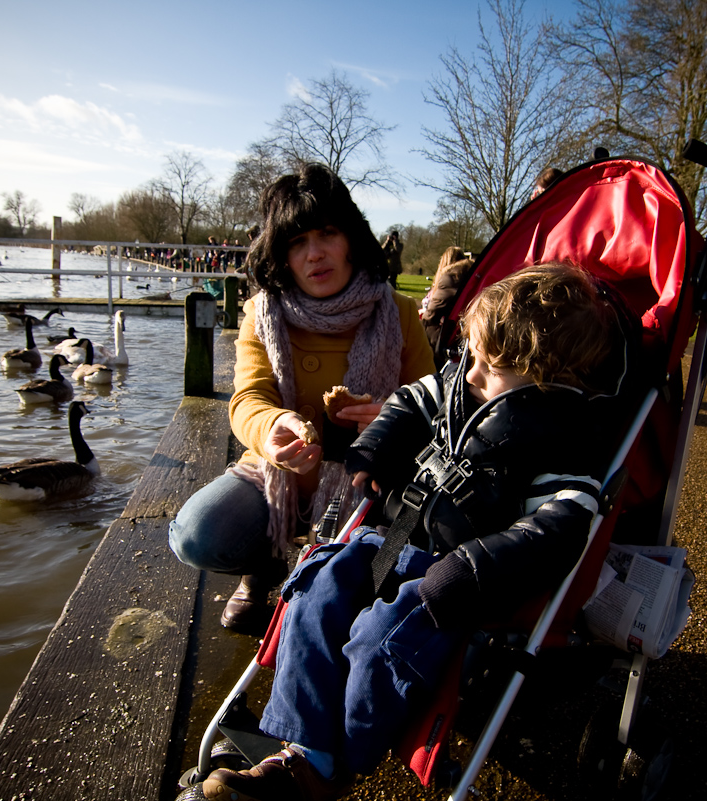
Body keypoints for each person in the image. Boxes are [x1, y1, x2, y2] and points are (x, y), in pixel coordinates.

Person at [200, 262, 638, 801]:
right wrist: (374, 448)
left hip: (454, 577)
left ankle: (329, 763)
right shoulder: (462, 384)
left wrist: (473, 566)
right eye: (471, 355)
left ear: (547, 372)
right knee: (315, 591)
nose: (470, 372)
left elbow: (561, 525)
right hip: (395, 534)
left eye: (490, 366)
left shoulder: (564, 436)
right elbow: (408, 402)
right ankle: (300, 746)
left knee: (377, 638)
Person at [168, 163, 436, 633]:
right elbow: (248, 396)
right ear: (281, 254)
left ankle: (345, 590)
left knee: (369, 589)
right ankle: (264, 569)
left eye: (327, 233)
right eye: (296, 242)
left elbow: (431, 403)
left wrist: (392, 417)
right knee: (197, 534)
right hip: (280, 476)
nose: (314, 254)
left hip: (374, 479)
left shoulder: (398, 310)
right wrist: (271, 430)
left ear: (351, 238)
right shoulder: (261, 312)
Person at [420, 246, 474, 368]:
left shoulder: (450, 279)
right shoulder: (474, 276)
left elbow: (431, 315)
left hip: (448, 341)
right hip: (468, 337)